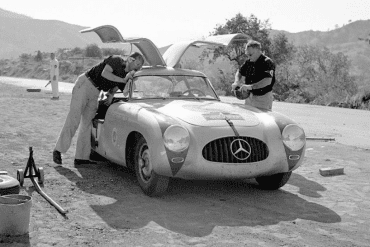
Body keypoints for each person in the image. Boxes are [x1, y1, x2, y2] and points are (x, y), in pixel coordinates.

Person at [52, 52, 144, 166]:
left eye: (140, 66)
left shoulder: (124, 75)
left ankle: (81, 158)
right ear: (130, 59)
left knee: (87, 124)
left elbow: (122, 90)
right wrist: (124, 80)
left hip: (96, 91)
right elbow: (105, 73)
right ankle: (58, 150)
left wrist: (116, 91)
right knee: (74, 119)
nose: (138, 67)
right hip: (85, 84)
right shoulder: (116, 60)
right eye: (138, 64)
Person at [232, 40, 276, 110]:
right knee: (249, 119)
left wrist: (251, 87)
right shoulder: (248, 62)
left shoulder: (267, 62)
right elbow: (239, 72)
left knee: (262, 120)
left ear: (258, 51)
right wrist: (236, 81)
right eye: (247, 55)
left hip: (263, 98)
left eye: (250, 54)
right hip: (249, 97)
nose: (248, 57)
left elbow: (267, 81)